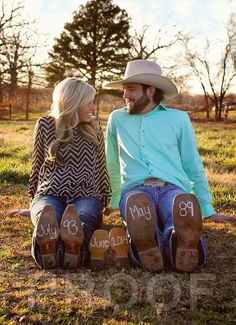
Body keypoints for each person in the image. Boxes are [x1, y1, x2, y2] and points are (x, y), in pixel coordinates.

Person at [105, 59, 234, 273]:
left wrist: (205, 208)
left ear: (151, 91)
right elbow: (112, 163)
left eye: (131, 89)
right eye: (125, 90)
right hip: (135, 191)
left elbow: (192, 164)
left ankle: (179, 242)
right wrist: (115, 200)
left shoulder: (179, 119)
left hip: (172, 189)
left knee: (177, 216)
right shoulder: (116, 119)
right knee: (138, 210)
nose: (125, 95)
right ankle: (150, 242)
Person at [28, 77, 112, 270]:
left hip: (87, 196)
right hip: (49, 194)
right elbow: (37, 165)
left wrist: (105, 199)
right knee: (47, 217)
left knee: (81, 221)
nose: (93, 106)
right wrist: (34, 202)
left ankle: (74, 250)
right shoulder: (45, 125)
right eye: (88, 102)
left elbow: (101, 165)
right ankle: (46, 249)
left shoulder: (94, 126)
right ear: (73, 102)